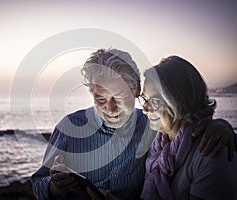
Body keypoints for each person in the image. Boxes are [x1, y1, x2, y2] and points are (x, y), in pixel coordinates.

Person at [31, 49, 235, 200]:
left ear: (137, 89)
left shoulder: (153, 127)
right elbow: (38, 184)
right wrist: (53, 187)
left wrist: (221, 127)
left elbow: (187, 124)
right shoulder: (68, 127)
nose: (110, 109)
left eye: (119, 97)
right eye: (100, 99)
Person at [139, 56, 237, 200]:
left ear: (179, 102)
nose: (144, 108)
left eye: (154, 101)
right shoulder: (158, 145)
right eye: (144, 99)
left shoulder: (211, 152)